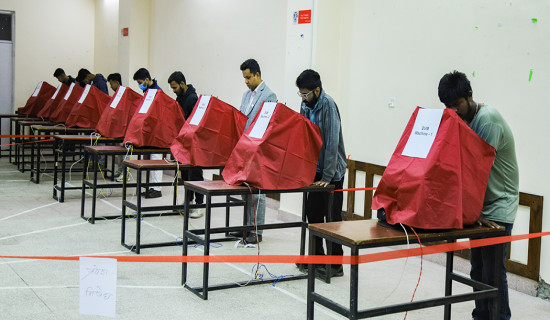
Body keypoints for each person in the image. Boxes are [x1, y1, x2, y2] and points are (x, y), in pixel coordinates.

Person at [438, 70, 519, 320]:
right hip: (480, 205)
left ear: (470, 96)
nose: (454, 111)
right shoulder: (461, 120)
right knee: (477, 270)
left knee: (493, 272)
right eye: (448, 107)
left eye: (457, 105)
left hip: (498, 205)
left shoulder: (488, 120)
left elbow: (476, 170)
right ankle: (481, 316)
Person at [296, 69, 347, 279]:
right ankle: (317, 258)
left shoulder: (328, 105)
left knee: (332, 218)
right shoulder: (305, 105)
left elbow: (332, 143)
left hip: (332, 172)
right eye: (301, 94)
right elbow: (303, 135)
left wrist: (326, 177)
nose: (303, 98)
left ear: (317, 90)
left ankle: (335, 265)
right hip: (315, 170)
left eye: (306, 94)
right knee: (313, 214)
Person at [234, 58, 277, 244]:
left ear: (258, 75)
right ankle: (246, 227)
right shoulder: (246, 95)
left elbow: (268, 125)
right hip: (245, 147)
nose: (246, 81)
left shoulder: (270, 95)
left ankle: (257, 230)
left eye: (249, 77)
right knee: (246, 190)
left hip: (259, 149)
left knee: (258, 192)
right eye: (244, 78)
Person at [168, 71, 204, 219]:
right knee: (185, 174)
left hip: (193, 144)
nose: (174, 91)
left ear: (183, 84)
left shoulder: (193, 99)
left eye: (175, 87)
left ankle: (199, 205)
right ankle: (188, 202)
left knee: (195, 174)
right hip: (182, 143)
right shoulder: (180, 97)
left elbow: (195, 123)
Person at [133, 68, 163, 199]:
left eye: (140, 82)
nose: (139, 84)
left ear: (146, 79)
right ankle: (151, 187)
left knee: (156, 159)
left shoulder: (158, 92)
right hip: (148, 131)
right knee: (149, 161)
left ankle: (157, 188)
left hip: (157, 131)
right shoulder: (147, 92)